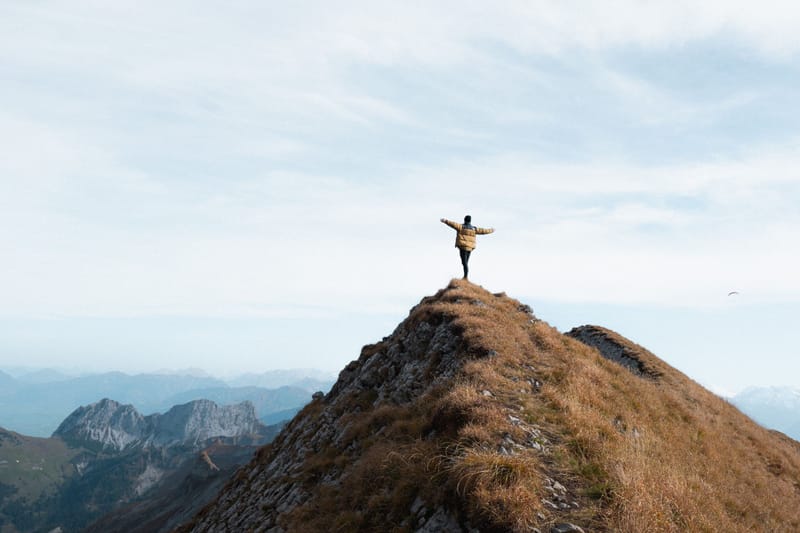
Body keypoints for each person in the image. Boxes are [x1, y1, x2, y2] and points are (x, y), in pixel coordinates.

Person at [440, 215, 494, 279]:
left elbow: (452, 224)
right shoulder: (474, 229)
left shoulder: (461, 227)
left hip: (463, 247)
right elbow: (483, 231)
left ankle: (465, 276)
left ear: (464, 219)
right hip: (469, 248)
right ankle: (465, 276)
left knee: (464, 263)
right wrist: (491, 230)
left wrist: (445, 221)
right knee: (466, 262)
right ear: (470, 221)